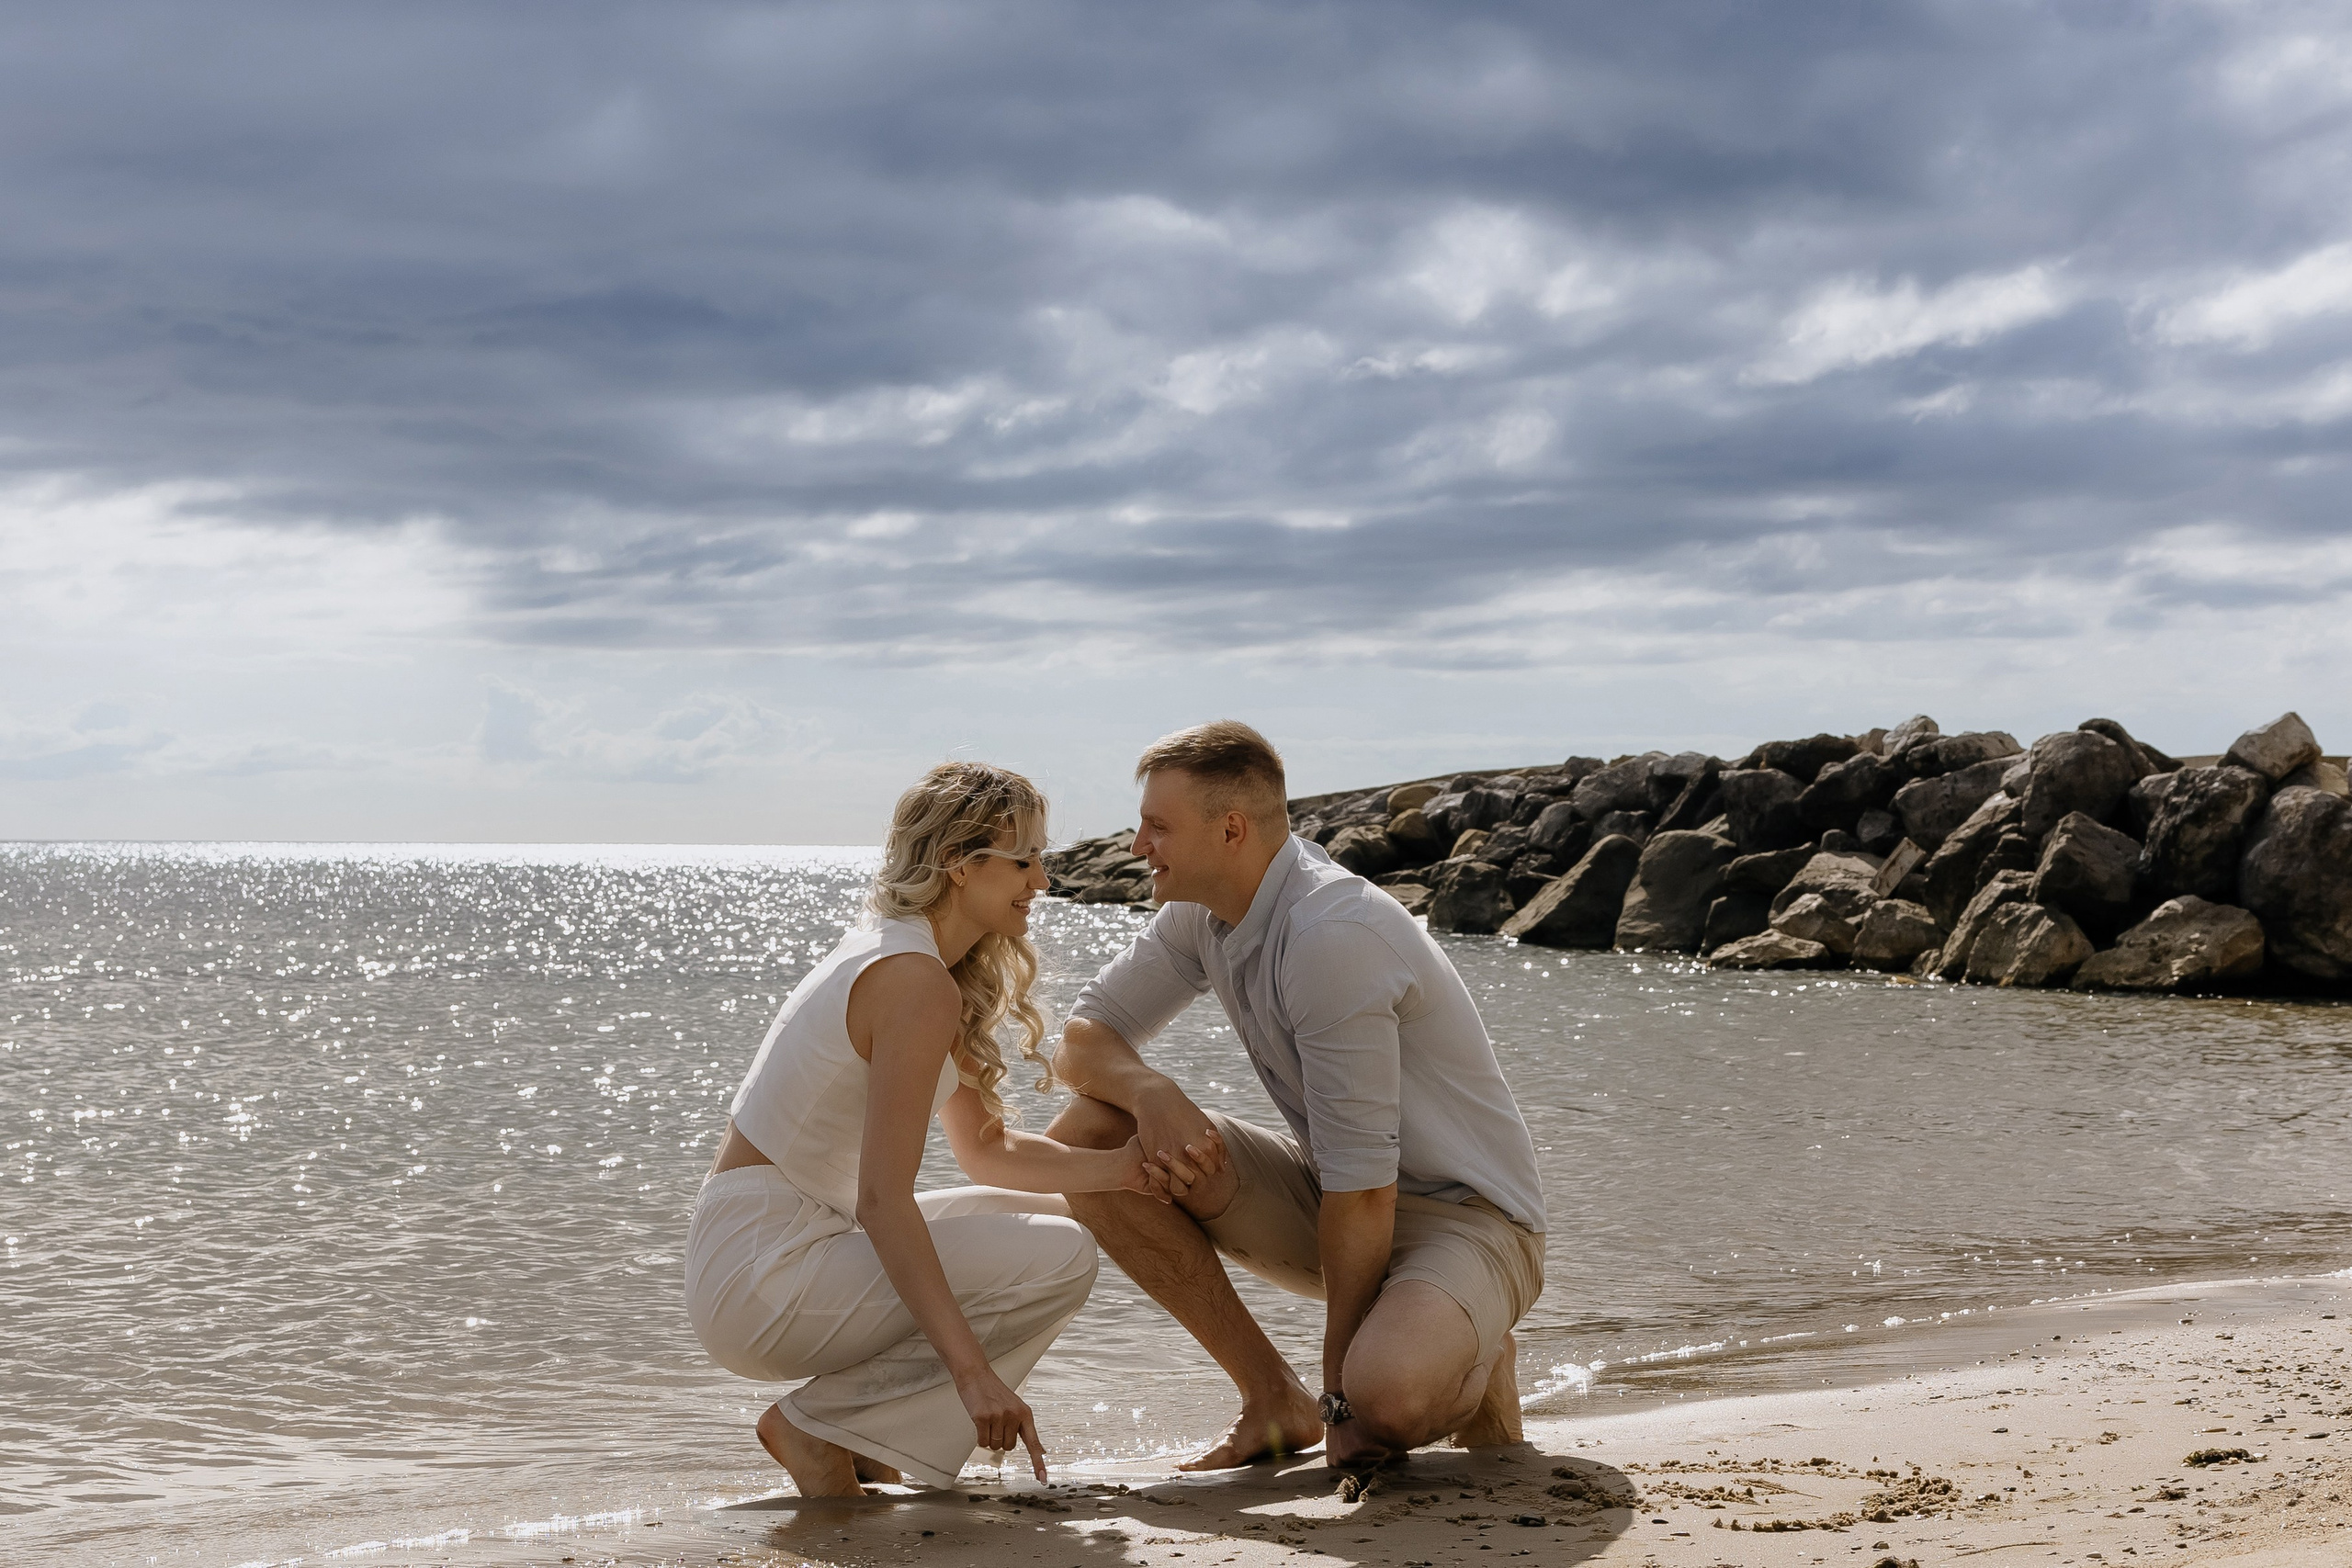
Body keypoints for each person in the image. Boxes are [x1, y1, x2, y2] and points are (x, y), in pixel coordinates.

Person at [1048, 721, 1547, 1473]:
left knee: (1385, 1399)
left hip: (1468, 1220)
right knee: (1087, 1137)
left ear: (1231, 830)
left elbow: (1367, 1189)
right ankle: (1270, 1395)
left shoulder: (1330, 935)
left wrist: (1342, 1401)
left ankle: (1466, 1356)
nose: (1136, 845)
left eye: (1157, 826)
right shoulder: (1202, 911)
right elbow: (1081, 1040)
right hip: (1332, 1194)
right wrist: (1151, 1091)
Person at [684, 761, 1167, 1496]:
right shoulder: (911, 980)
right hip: (765, 1275)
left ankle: (863, 1442)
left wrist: (1125, 1169)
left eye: (1042, 859)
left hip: (765, 1251)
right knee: (1060, 1253)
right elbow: (883, 1200)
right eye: (1025, 859)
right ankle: (821, 1425)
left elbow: (987, 1151)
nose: (1042, 881)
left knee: (1041, 1219)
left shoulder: (910, 956)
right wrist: (973, 1376)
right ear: (959, 865)